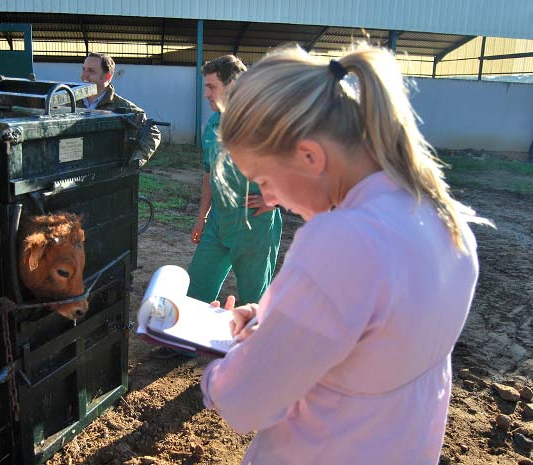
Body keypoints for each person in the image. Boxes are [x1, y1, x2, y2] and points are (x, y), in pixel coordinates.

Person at [200, 44, 493, 465]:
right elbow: (374, 339)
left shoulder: (343, 240)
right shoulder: (445, 218)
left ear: (309, 155)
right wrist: (270, 319)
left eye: (264, 179)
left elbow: (247, 403)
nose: (270, 198)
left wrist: (223, 363)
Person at [187, 55, 282, 306]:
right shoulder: (213, 124)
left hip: (253, 224)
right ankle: (185, 346)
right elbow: (209, 174)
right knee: (196, 288)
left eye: (211, 87)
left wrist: (275, 200)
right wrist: (202, 217)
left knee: (253, 298)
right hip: (218, 221)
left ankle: (255, 344)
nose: (206, 94)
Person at [79, 52, 161, 167]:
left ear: (107, 76)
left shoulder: (124, 108)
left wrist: (136, 161)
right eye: (83, 69)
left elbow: (151, 132)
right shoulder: (69, 104)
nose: (84, 75)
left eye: (91, 71)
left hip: (105, 172)